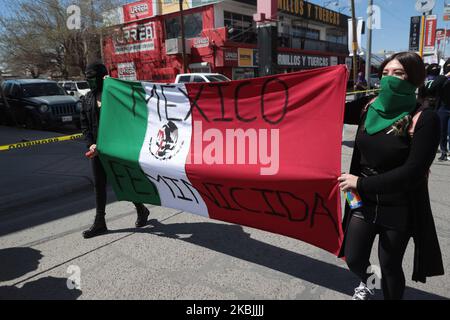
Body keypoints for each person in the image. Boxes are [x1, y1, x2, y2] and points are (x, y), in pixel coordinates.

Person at [338, 52, 444, 300]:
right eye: (385, 73)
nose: (389, 79)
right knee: (354, 258)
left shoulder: (425, 118)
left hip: (398, 207)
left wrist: (360, 183)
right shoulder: (368, 106)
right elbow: (330, 108)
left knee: (390, 266)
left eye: (398, 74)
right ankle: (369, 282)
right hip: (362, 203)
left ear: (415, 79)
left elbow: (413, 173)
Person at [80, 62, 150, 239]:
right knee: (99, 185)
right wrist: (91, 144)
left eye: (93, 78)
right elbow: (85, 126)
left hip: (116, 149)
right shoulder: (87, 99)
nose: (90, 82)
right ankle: (100, 222)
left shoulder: (116, 96)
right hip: (97, 151)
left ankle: (141, 209)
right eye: (87, 78)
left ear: (103, 77)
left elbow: (126, 121)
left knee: (124, 181)